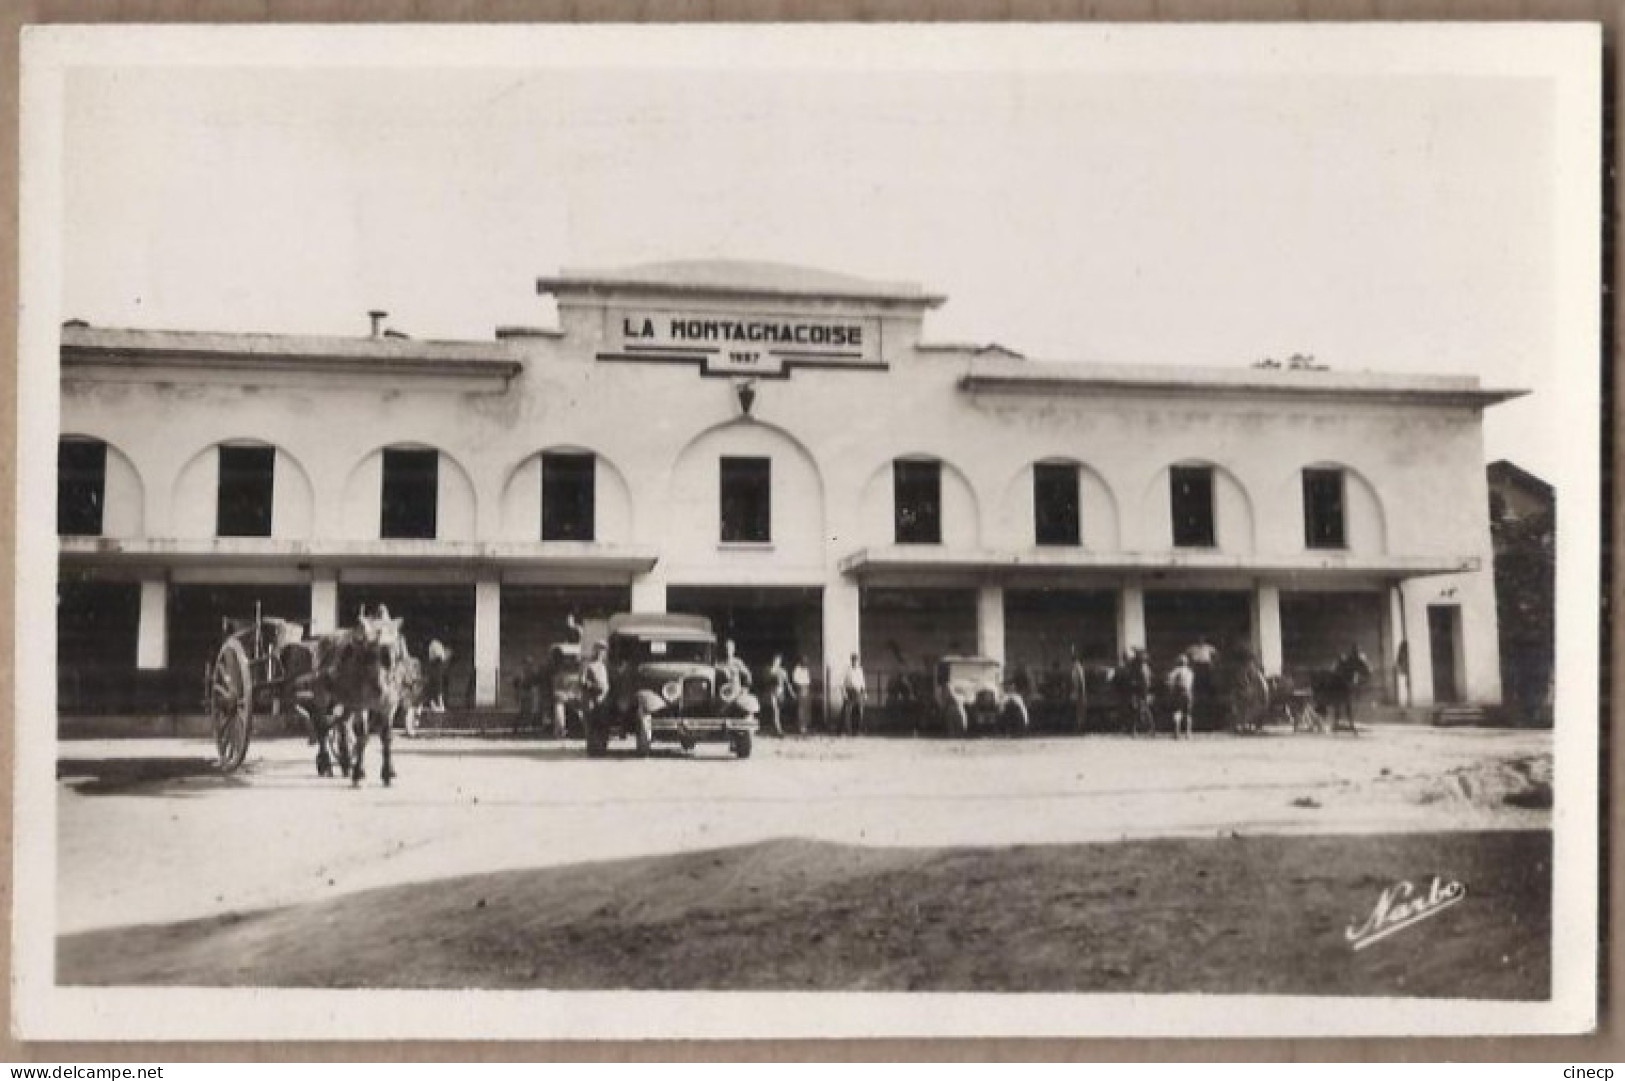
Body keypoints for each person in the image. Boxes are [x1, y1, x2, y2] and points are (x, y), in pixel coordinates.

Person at [1186, 636, 1218, 729]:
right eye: (1199, 640)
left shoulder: (1209, 647)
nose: (1201, 641)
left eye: (1202, 640)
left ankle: (1207, 692)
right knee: (1195, 679)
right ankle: (1197, 692)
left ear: (1204, 640)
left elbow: (1216, 654)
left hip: (1205, 665)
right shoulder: (1193, 648)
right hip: (1197, 665)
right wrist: (1191, 663)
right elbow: (1186, 653)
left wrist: (1213, 663)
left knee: (1206, 680)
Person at [1167, 653, 1196, 739]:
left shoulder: (1175, 671)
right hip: (1188, 692)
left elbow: (1170, 682)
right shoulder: (1190, 672)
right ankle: (1188, 733)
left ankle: (1176, 733)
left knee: (1177, 711)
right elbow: (1190, 683)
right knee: (1188, 713)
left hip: (1178, 692)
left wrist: (1171, 691)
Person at [581, 641, 610, 723]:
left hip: (602, 698)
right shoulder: (587, 664)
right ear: (594, 650)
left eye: (603, 650)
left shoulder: (603, 665)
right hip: (591, 697)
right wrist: (593, 686)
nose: (601, 652)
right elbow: (582, 681)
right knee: (590, 721)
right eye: (599, 649)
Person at [716, 638, 752, 703]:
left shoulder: (737, 662)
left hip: (736, 695)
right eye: (726, 648)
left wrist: (745, 689)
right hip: (723, 697)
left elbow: (748, 675)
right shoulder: (718, 664)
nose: (727, 651)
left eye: (729, 648)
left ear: (733, 650)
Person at [840, 653, 867, 736]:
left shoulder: (860, 670)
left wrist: (864, 693)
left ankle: (857, 731)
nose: (855, 662)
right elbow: (842, 683)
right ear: (851, 660)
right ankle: (847, 731)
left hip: (858, 692)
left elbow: (862, 682)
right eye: (853, 660)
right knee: (847, 712)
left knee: (858, 712)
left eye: (856, 660)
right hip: (850, 692)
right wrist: (844, 693)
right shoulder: (847, 670)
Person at [763, 653, 789, 738]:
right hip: (772, 692)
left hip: (780, 692)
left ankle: (775, 728)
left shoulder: (782, 670)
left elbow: (787, 682)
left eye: (778, 660)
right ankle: (778, 730)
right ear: (773, 660)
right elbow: (765, 680)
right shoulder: (769, 669)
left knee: (779, 711)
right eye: (775, 660)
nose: (777, 662)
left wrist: (791, 692)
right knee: (775, 710)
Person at [1068, 646, 1089, 734]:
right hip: (1077, 692)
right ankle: (1078, 727)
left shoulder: (1078, 667)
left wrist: (1082, 693)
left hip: (1079, 693)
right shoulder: (1075, 667)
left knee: (1080, 712)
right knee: (1078, 712)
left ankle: (1080, 728)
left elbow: (1081, 681)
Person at [425, 638, 450, 713]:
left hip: (436, 667)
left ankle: (436, 704)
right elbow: (441, 657)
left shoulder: (435, 644)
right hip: (435, 668)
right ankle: (438, 705)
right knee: (436, 686)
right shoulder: (435, 644)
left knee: (436, 686)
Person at [790, 655, 813, 735]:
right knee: (801, 708)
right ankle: (801, 727)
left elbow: (808, 679)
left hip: (807, 688)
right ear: (801, 661)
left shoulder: (806, 669)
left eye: (806, 662)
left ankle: (806, 725)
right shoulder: (797, 669)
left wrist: (808, 686)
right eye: (804, 661)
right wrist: (801, 687)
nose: (806, 663)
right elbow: (795, 680)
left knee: (807, 707)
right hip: (801, 688)